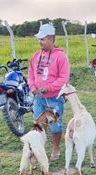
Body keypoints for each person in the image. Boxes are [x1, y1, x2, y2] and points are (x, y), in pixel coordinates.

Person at [28, 23, 70, 160]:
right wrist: (32, 86)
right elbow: (31, 74)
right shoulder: (35, 56)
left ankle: (56, 149)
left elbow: (64, 78)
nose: (40, 42)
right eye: (39, 39)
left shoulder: (61, 56)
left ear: (51, 39)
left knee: (55, 126)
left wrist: (49, 87)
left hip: (54, 98)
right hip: (39, 98)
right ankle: (37, 150)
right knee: (38, 124)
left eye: (43, 39)